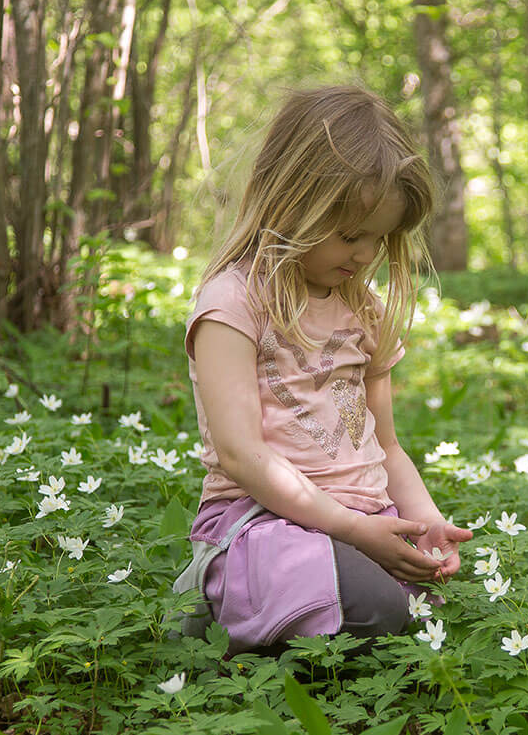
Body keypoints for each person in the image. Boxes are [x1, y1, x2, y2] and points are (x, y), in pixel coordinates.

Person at [172, 85, 472, 655]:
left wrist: (425, 520)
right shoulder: (233, 303)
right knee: (373, 605)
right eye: (350, 235)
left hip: (364, 519)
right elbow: (241, 454)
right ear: (291, 200)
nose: (365, 255)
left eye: (379, 238)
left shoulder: (364, 311)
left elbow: (386, 446)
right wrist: (353, 530)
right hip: (263, 523)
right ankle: (219, 610)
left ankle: (311, 621)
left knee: (414, 605)